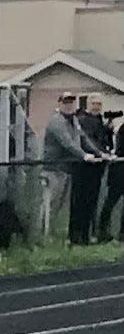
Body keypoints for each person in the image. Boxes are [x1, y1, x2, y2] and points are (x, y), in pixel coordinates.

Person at [41, 91, 106, 242]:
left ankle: (57, 237)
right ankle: (42, 237)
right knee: (50, 205)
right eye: (66, 102)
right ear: (59, 103)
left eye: (71, 102)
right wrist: (84, 155)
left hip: (67, 169)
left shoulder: (74, 120)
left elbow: (83, 137)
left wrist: (99, 153)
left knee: (62, 206)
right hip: (53, 169)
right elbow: (67, 142)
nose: (69, 105)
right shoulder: (56, 121)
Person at [76, 93, 113, 240]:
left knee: (94, 199)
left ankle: (92, 232)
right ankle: (85, 234)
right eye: (94, 104)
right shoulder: (84, 120)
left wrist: (108, 130)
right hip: (88, 165)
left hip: (99, 164)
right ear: (89, 105)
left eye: (99, 104)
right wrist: (101, 153)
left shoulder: (99, 120)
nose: (97, 107)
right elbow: (89, 141)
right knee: (86, 200)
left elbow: (104, 140)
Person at [97, 119, 124, 242]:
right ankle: (102, 231)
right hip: (119, 171)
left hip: (118, 169)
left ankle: (121, 233)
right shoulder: (122, 129)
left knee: (112, 201)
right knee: (111, 201)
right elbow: (120, 149)